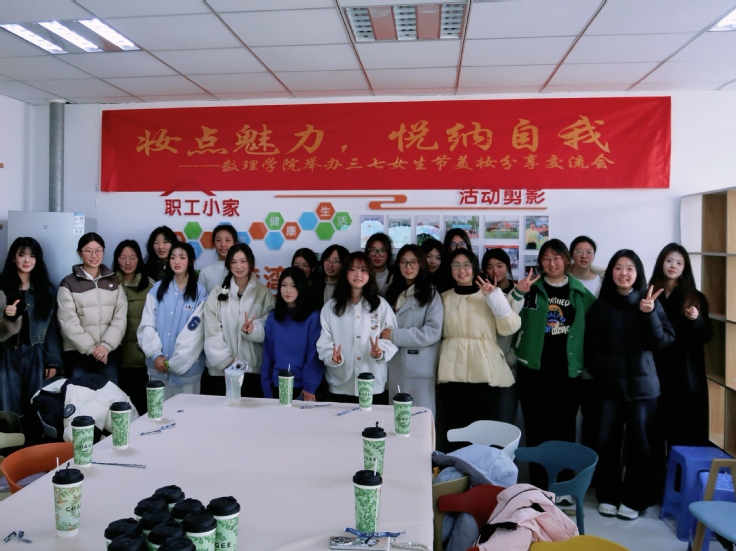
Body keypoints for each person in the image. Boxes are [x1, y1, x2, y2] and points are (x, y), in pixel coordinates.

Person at [586, 249, 674, 520]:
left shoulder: (649, 301)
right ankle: (608, 495)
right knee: (606, 443)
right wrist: (604, 372)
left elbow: (663, 341)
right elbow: (592, 347)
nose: (623, 273)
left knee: (641, 446)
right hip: (609, 388)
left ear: (637, 274)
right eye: (618, 268)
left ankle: (636, 499)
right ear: (611, 272)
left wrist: (649, 314)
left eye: (629, 268)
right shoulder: (601, 305)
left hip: (643, 388)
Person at [508, 239, 596, 487]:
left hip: (567, 373)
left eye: (557, 258)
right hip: (533, 372)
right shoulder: (531, 289)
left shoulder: (579, 292)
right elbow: (508, 315)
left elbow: (598, 321)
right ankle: (538, 487)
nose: (552, 263)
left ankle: (562, 485)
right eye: (546, 258)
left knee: (564, 431)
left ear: (566, 260)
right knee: (536, 430)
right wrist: (518, 292)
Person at [437, 248, 520, 451]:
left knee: (486, 433)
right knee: (454, 431)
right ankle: (454, 472)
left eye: (466, 265)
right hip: (452, 373)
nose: (462, 270)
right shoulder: (443, 298)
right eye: (456, 265)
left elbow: (510, 327)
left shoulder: (491, 294)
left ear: (474, 268)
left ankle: (484, 472)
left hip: (485, 372)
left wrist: (494, 298)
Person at [649, 243, 713, 448]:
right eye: (669, 261)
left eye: (679, 263)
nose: (673, 266)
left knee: (683, 432)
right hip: (655, 369)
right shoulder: (649, 293)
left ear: (685, 267)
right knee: (654, 430)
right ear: (661, 263)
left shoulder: (694, 297)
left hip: (684, 373)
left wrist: (695, 319)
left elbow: (706, 335)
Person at [0, 237, 63, 442]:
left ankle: (33, 448)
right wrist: (7, 317)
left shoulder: (46, 289)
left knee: (35, 403)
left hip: (36, 353)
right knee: (8, 405)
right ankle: (11, 450)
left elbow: (52, 328)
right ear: (13, 258)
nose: (27, 260)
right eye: (22, 255)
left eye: (32, 256)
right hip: (7, 354)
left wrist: (53, 361)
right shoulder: (2, 288)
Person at [316, 251, 398, 404]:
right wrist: (332, 357)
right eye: (352, 269)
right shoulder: (331, 307)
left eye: (363, 270)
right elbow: (324, 341)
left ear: (370, 274)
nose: (358, 274)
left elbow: (390, 337)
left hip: (373, 383)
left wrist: (380, 352)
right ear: (345, 273)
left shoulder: (380, 305)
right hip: (340, 383)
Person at [203, 243, 275, 397]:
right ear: (229, 265)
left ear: (251, 263)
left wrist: (253, 329)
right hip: (221, 372)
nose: (239, 266)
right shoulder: (217, 292)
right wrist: (226, 362)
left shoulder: (263, 293)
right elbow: (211, 330)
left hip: (251, 371)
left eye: (243, 261)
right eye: (234, 262)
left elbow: (271, 327)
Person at [137, 242, 207, 399]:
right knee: (159, 411)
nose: (177, 261)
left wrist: (178, 362)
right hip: (158, 368)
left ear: (190, 261)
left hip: (188, 369)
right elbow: (147, 325)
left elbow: (196, 334)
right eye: (173, 257)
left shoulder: (200, 292)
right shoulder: (157, 289)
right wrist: (156, 355)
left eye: (182, 257)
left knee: (187, 411)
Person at [57, 232, 127, 385]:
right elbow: (68, 322)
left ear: (103, 251)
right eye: (88, 251)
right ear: (79, 253)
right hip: (78, 353)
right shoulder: (68, 283)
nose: (94, 255)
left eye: (98, 250)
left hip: (109, 353)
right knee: (79, 396)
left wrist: (106, 346)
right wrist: (92, 350)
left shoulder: (114, 281)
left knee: (109, 395)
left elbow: (120, 317)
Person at [383, 244, 443, 415]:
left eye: (413, 262)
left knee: (419, 416)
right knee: (395, 417)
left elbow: (432, 331)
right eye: (403, 262)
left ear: (421, 264)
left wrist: (395, 335)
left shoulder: (431, 294)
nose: (408, 267)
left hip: (419, 366)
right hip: (392, 362)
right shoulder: (388, 291)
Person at [260, 268, 324, 401]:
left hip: (303, 389)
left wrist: (309, 386)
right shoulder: (273, 318)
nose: (288, 290)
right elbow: (268, 355)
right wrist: (266, 388)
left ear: (301, 287)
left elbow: (313, 355)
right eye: (284, 285)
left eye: (293, 286)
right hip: (277, 385)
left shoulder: (312, 317)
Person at [112, 239, 153, 414]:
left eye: (132, 257)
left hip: (139, 358)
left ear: (139, 259)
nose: (127, 262)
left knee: (140, 406)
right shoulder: (108, 283)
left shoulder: (149, 285)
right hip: (113, 357)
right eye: (123, 258)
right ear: (116, 259)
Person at [481, 247, 519, 424]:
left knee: (505, 415)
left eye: (500, 265)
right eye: (489, 267)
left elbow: (523, 329)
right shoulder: (480, 293)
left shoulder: (519, 291)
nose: (495, 271)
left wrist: (511, 358)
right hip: (485, 362)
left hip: (510, 361)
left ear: (508, 267)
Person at [199, 224, 238, 294]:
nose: (223, 244)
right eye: (218, 240)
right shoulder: (205, 272)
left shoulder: (242, 269)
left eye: (227, 240)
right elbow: (201, 298)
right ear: (214, 244)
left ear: (235, 243)